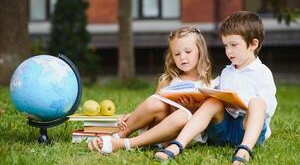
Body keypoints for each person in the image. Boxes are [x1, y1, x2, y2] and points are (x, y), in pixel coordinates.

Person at [154, 11, 277, 164]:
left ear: (253, 44)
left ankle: (244, 150)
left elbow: (268, 108)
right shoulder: (227, 71)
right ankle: (177, 145)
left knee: (257, 103)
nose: (228, 51)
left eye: (234, 45)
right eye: (226, 45)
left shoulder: (262, 73)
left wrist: (242, 105)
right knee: (213, 101)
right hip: (222, 130)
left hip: (249, 130)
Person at [88, 27, 214, 153]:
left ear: (200, 51)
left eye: (188, 51)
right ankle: (117, 136)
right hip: (158, 126)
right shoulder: (168, 79)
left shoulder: (207, 85)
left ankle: (126, 144)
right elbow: (154, 107)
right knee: (154, 101)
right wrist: (134, 115)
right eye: (177, 54)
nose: (182, 57)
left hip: (181, 134)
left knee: (182, 115)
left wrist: (191, 109)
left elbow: (204, 118)